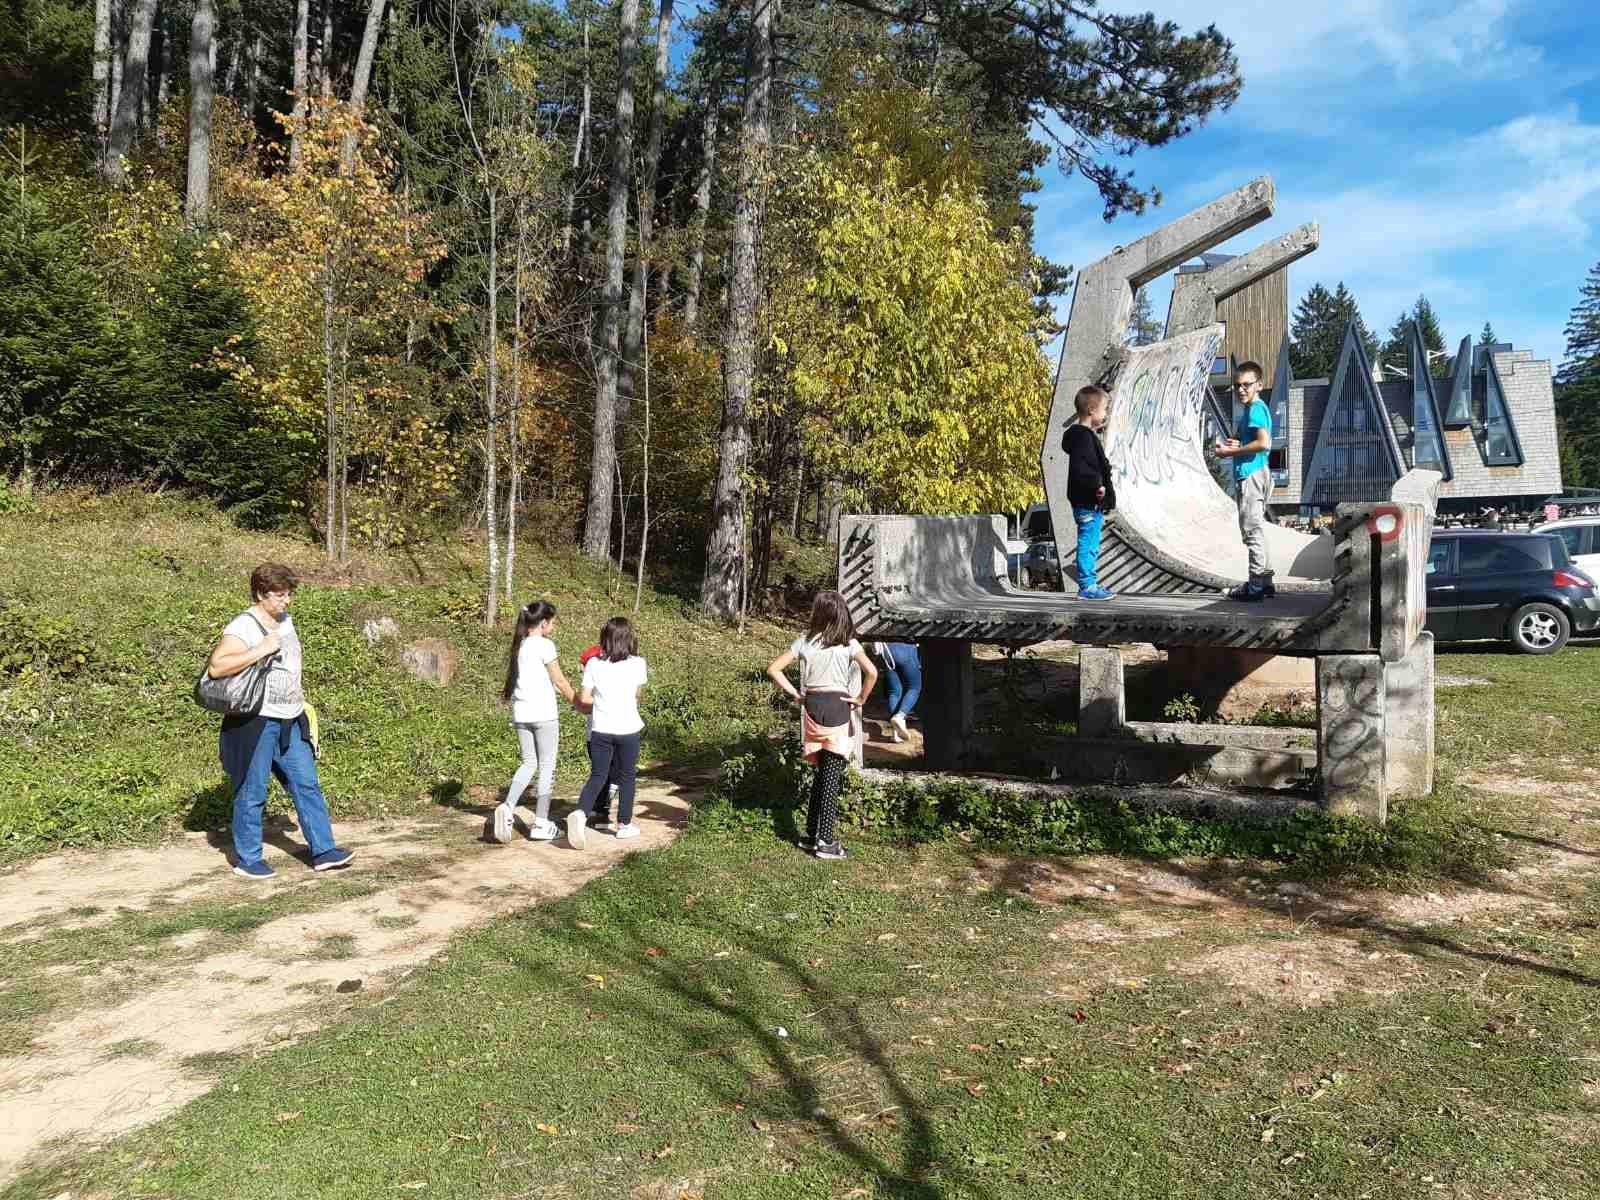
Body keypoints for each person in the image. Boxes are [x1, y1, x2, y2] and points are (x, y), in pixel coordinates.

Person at [207, 563, 354, 880]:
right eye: (279, 595)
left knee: (306, 783)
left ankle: (324, 851)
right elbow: (217, 668)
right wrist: (259, 650)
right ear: (261, 593)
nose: (286, 601)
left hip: (291, 717)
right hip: (256, 721)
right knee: (252, 789)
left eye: (289, 594)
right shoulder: (243, 626)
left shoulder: (285, 619)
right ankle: (248, 859)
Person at [765, 591, 878, 861]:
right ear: (841, 614)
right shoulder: (849, 644)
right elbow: (872, 672)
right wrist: (860, 699)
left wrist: (796, 694)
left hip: (812, 709)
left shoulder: (804, 642)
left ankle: (810, 835)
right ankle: (826, 842)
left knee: (821, 775)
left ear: (818, 613)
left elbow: (773, 669)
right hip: (838, 708)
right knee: (830, 777)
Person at [497, 601, 578, 844]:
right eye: (552, 622)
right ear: (543, 623)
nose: (553, 626)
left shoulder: (519, 646)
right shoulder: (545, 645)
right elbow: (560, 681)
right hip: (544, 715)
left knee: (528, 762)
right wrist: (580, 703)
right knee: (546, 766)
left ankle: (508, 806)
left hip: (521, 715)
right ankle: (541, 822)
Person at [568, 617, 648, 849]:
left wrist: (602, 699)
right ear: (629, 639)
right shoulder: (638, 663)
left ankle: (581, 813)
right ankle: (624, 825)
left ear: (605, 639)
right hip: (627, 728)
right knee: (627, 776)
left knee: (598, 775)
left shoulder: (593, 664)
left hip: (600, 728)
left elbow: (584, 698)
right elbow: (637, 696)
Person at [1213, 360, 1275, 602]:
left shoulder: (1256, 409)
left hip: (1251, 475)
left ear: (1259, 385)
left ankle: (1256, 587)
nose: (1241, 390)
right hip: (1256, 472)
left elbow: (1263, 443)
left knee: (1251, 532)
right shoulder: (1253, 410)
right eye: (1237, 385)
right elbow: (1252, 441)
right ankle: (1265, 583)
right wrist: (1236, 444)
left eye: (1246, 385)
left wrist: (1229, 453)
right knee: (1257, 530)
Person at [1061, 384, 1118, 600]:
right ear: (1092, 410)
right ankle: (1087, 586)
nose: (1106, 414)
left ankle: (1089, 584)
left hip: (1086, 502)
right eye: (1104, 409)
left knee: (1091, 542)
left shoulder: (1081, 436)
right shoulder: (1083, 437)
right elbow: (1082, 467)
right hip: (1088, 501)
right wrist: (1097, 485)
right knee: (1089, 543)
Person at [578, 641, 620, 829]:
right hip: (600, 730)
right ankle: (597, 809)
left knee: (607, 772)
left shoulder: (626, 660)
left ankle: (600, 807)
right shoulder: (596, 665)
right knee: (602, 772)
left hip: (606, 730)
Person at [872, 641, 922, 742]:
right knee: (915, 687)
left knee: (894, 692)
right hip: (905, 647)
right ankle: (900, 716)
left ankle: (896, 734)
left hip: (887, 651)